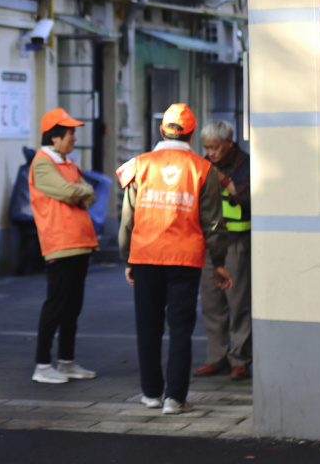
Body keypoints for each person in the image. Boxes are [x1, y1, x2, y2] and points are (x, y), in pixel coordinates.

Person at [117, 104, 232, 415]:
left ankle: (151, 393)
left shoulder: (140, 165)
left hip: (146, 256)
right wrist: (219, 261)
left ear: (161, 130)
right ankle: (175, 398)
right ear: (192, 135)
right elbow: (214, 222)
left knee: (148, 326)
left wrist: (127, 257)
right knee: (180, 328)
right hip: (186, 259)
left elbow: (128, 217)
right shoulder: (203, 169)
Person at [29, 107, 99, 384]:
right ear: (54, 137)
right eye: (70, 133)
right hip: (60, 243)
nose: (74, 138)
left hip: (80, 242)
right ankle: (43, 365)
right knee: (56, 305)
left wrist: (80, 192)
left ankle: (67, 361)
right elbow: (71, 192)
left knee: (72, 306)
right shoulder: (43, 163)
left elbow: (87, 193)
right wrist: (81, 192)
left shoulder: (67, 163)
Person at [192, 120, 252, 381]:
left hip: (236, 242)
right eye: (206, 148)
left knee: (238, 302)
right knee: (212, 304)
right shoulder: (202, 165)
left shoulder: (246, 165)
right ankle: (216, 357)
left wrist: (225, 181)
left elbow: (249, 198)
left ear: (229, 143)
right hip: (207, 242)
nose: (211, 153)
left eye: (215, 148)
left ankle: (240, 359)